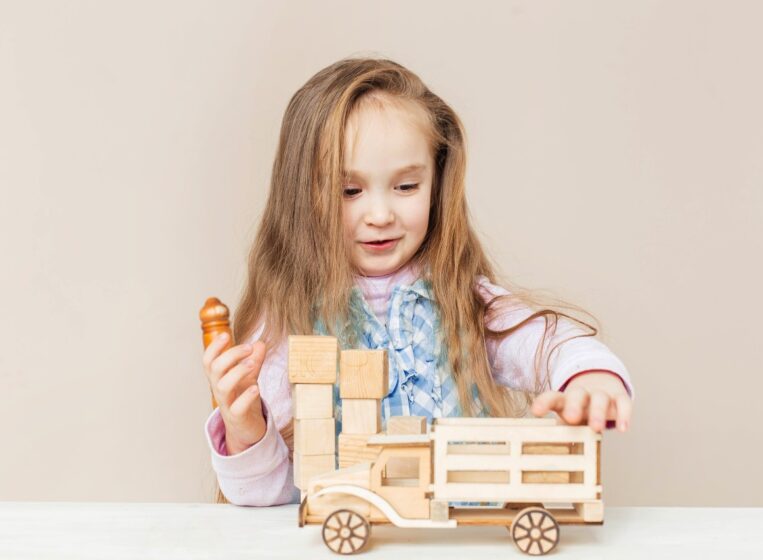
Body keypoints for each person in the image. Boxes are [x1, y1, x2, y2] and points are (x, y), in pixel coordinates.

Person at [202, 56, 635, 506]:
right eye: (349, 191)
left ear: (437, 182)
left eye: (406, 187)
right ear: (304, 195)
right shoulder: (287, 326)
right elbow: (267, 500)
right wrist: (245, 428)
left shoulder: (461, 297)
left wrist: (592, 379)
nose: (380, 214)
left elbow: (553, 344)